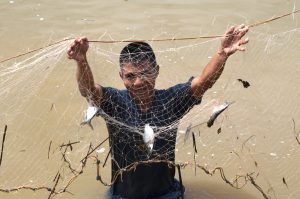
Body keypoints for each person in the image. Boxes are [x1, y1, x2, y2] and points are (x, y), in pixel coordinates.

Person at [67, 24, 249, 199]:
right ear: (121, 77)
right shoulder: (115, 102)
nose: (138, 82)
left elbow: (202, 84)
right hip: (123, 195)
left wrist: (222, 53)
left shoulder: (171, 101)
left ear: (156, 71)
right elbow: (89, 91)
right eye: (130, 76)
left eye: (145, 73)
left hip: (168, 194)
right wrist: (81, 61)